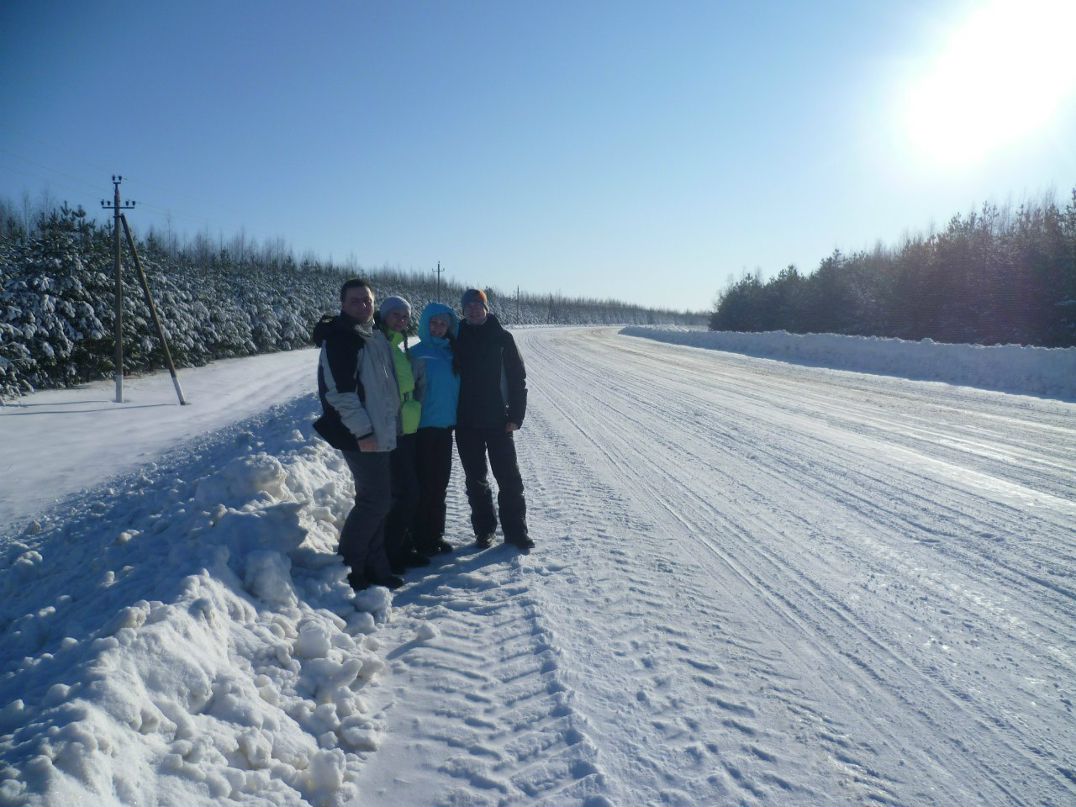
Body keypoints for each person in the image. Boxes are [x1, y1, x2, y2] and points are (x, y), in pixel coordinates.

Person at [312, 278, 403, 590]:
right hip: (361, 434)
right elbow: (341, 395)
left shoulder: (373, 335)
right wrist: (363, 433)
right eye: (355, 301)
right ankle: (351, 569)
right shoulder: (342, 340)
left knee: (378, 501)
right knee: (374, 502)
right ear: (342, 304)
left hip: (380, 430)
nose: (363, 305)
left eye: (367, 300)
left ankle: (376, 567)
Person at [455, 288, 534, 551]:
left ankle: (516, 531)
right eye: (468, 306)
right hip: (466, 423)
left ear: (486, 308)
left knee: (509, 479)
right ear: (463, 311)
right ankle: (484, 530)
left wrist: (516, 416)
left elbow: (518, 379)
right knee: (475, 480)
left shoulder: (503, 338)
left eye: (478, 305)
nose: (473, 310)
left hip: (499, 421)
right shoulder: (456, 337)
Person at [375, 295, 429, 574]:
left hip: (407, 428)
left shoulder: (399, 345)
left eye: (405, 316)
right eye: (395, 314)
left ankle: (402, 548)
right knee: (405, 493)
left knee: (408, 491)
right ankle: (390, 553)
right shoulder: (378, 344)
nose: (401, 320)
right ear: (384, 316)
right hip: (391, 430)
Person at [410, 303, 461, 555]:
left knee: (440, 483)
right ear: (425, 324)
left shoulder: (453, 353)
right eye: (434, 323)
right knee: (423, 484)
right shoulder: (415, 353)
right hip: (421, 429)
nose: (438, 328)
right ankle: (417, 537)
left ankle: (434, 535)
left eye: (443, 324)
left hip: (445, 429)